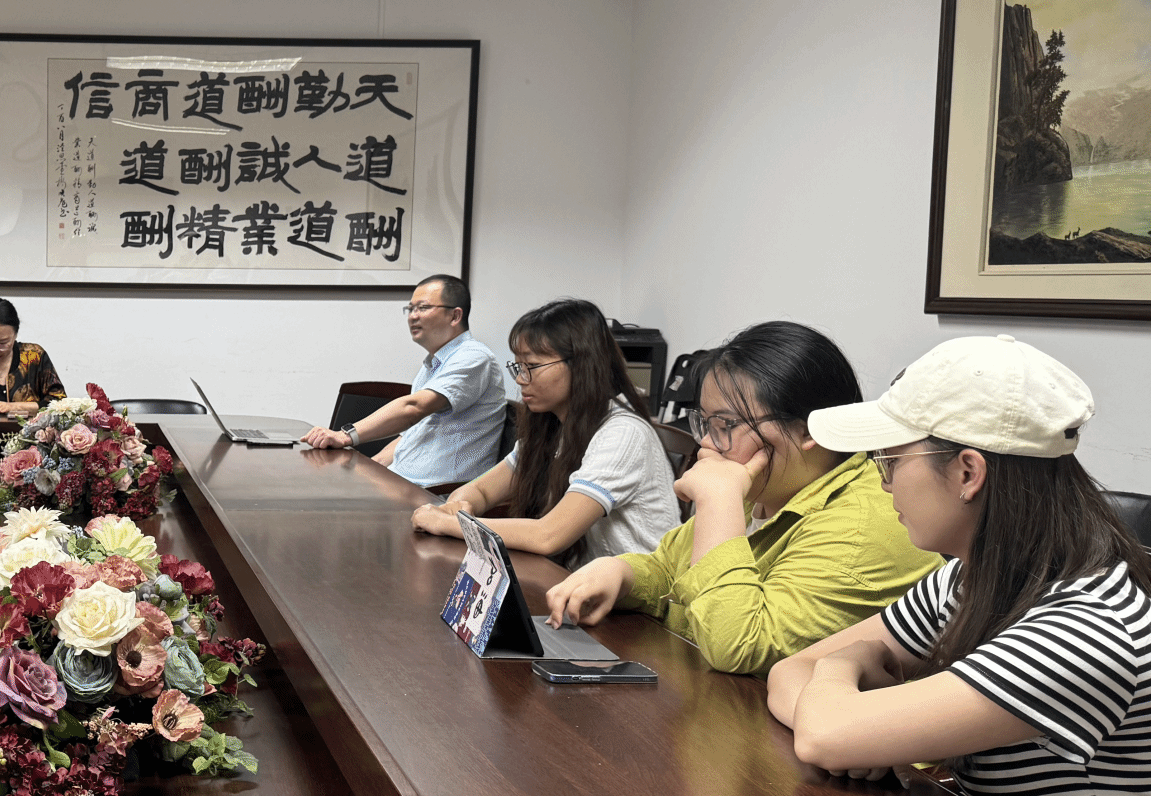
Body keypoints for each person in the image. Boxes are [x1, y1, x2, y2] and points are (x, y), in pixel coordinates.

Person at [768, 336, 1151, 796]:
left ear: (969, 472)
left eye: (890, 460)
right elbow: (788, 674)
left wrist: (842, 668)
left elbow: (822, 732)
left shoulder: (1089, 625)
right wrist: (847, 721)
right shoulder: (971, 576)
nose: (883, 483)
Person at [543, 321, 937, 676]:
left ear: (808, 429)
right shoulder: (766, 481)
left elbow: (738, 645)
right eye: (704, 422)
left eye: (726, 424)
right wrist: (621, 573)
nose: (707, 443)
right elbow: (669, 568)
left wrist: (718, 502)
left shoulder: (862, 526)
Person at [411, 298, 679, 565]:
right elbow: (481, 490)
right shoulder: (553, 426)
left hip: (638, 589)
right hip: (579, 578)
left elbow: (549, 535)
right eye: (518, 367)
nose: (520, 379)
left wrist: (449, 524)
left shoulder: (623, 433)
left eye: (532, 366)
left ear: (581, 364)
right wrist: (461, 506)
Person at [300, 274, 508, 487]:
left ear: (455, 316)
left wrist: (345, 436)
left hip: (435, 494)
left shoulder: (474, 357)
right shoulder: (434, 364)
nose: (412, 316)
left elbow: (413, 408)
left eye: (423, 308)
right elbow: (409, 435)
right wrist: (367, 472)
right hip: (401, 483)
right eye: (410, 309)